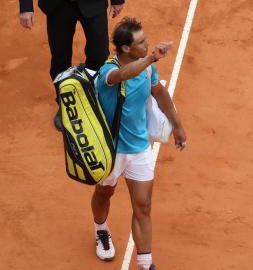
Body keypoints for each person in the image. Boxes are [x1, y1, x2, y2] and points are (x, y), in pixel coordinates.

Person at [92, 17, 187, 270]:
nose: (146, 45)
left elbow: (159, 93)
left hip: (139, 148)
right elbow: (124, 74)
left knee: (143, 206)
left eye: (146, 41)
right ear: (125, 48)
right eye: (141, 42)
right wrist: (151, 58)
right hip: (110, 151)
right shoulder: (107, 71)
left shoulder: (147, 68)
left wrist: (176, 125)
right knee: (104, 193)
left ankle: (146, 264)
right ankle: (100, 229)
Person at [19, 0, 125, 130]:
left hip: (93, 4)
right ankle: (66, 103)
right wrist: (26, 7)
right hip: (59, 6)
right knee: (60, 59)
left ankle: (91, 96)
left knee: (99, 54)